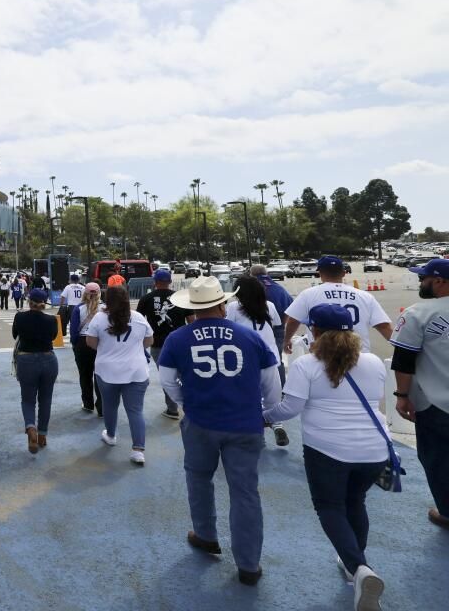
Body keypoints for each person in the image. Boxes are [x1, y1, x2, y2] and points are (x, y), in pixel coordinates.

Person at [157, 276, 282, 587]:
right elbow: (272, 383)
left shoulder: (177, 339)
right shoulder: (250, 337)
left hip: (200, 421)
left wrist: (186, 403)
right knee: (245, 492)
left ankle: (206, 534)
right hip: (244, 423)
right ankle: (248, 564)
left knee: (199, 478)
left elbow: (167, 381)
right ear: (223, 305)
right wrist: (267, 415)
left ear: (192, 307)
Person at [264, 304, 389, 610]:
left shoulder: (307, 365)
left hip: (327, 449)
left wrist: (263, 417)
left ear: (315, 331)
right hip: (374, 449)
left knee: (329, 506)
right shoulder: (373, 362)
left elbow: (290, 408)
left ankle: (359, 568)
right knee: (355, 502)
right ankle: (353, 564)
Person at [391, 257, 449, 531]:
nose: (420, 282)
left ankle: (447, 512)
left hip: (437, 403)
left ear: (438, 281)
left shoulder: (418, 313)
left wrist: (401, 395)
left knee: (437, 458)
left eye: (423, 278)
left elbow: (403, 360)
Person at [86, 285, 154, 465]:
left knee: (110, 406)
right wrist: (133, 349)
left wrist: (107, 349)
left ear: (107, 300)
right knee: (135, 410)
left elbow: (90, 342)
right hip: (136, 371)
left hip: (107, 371)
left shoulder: (99, 318)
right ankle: (138, 450)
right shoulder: (138, 317)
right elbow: (149, 340)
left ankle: (111, 435)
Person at [284, 256, 391, 353]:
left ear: (320, 273)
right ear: (343, 273)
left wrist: (286, 340)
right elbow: (383, 326)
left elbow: (293, 320)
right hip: (358, 354)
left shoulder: (308, 294)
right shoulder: (365, 296)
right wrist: (398, 349)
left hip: (322, 355)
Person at [228, 276, 289, 447]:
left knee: (251, 397)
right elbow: (276, 325)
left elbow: (228, 328)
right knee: (273, 397)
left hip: (246, 359)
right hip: (270, 358)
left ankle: (257, 433)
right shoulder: (269, 305)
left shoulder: (233, 307)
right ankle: (277, 425)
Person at [12, 287, 60, 453]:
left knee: (28, 400)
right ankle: (42, 435)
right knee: (45, 400)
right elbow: (53, 337)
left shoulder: (20, 317)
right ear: (44, 303)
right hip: (48, 359)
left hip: (26, 360)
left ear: (29, 301)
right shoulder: (51, 320)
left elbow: (15, 335)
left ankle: (31, 427)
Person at [137, 268, 188, 420]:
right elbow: (191, 320)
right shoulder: (180, 298)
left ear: (155, 282)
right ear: (170, 282)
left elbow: (138, 322)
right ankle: (191, 405)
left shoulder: (146, 299)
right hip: (181, 343)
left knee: (168, 377)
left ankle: (172, 409)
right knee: (185, 374)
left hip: (158, 343)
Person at [70, 283, 103, 415]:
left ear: (85, 293)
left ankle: (88, 404)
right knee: (100, 375)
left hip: (83, 343)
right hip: (101, 343)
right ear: (99, 293)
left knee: (85, 375)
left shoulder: (79, 308)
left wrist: (75, 344)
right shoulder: (105, 307)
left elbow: (74, 331)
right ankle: (102, 408)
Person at [250, 263, 293, 356]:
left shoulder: (250, 288)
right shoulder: (279, 288)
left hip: (255, 328)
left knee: (256, 357)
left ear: (252, 274)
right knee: (276, 357)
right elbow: (291, 307)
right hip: (278, 328)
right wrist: (282, 324)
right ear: (266, 273)